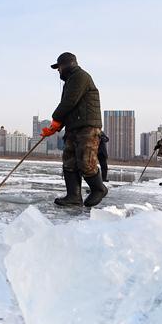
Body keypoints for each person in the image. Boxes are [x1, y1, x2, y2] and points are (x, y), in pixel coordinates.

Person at [41, 52, 107, 207]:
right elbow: (70, 107)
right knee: (69, 162)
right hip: (73, 127)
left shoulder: (80, 76)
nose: (58, 71)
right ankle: (73, 196)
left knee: (86, 161)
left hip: (87, 127)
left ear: (68, 64)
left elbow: (70, 101)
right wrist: (55, 127)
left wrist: (56, 118)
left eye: (59, 67)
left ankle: (98, 189)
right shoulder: (70, 81)